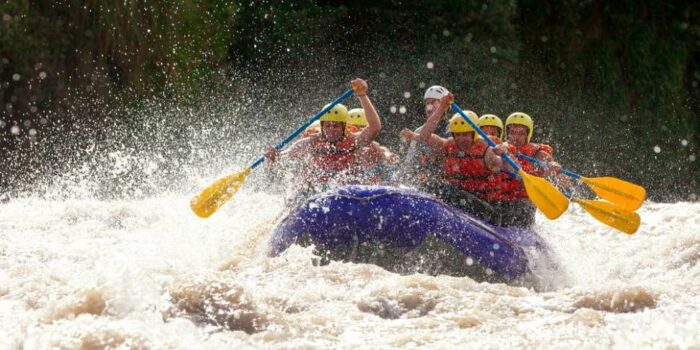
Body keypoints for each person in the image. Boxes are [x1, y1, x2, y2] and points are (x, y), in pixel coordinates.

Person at [264, 78, 381, 200]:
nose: (331, 129)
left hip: (343, 192)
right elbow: (280, 159)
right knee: (300, 188)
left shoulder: (354, 141)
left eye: (336, 125)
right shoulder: (310, 143)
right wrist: (273, 157)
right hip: (312, 192)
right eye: (328, 125)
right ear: (322, 126)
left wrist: (362, 96)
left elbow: (375, 127)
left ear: (344, 127)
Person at [413, 93, 511, 225]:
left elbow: (508, 168)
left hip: (488, 210)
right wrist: (441, 107)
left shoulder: (487, 151)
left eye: (465, 135)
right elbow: (423, 137)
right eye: (457, 135)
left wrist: (504, 156)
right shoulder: (448, 145)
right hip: (461, 203)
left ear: (474, 134)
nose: (461, 139)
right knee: (428, 185)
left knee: (446, 191)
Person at [495, 112, 561, 227]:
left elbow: (548, 159)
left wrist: (553, 165)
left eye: (521, 133)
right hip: (502, 198)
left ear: (528, 135)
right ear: (507, 133)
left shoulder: (535, 151)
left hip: (524, 200)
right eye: (513, 132)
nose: (516, 137)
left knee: (521, 207)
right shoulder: (502, 148)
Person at [347, 108, 399, 184]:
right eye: (350, 129)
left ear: (367, 130)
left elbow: (385, 152)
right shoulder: (344, 148)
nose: (354, 134)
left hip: (377, 184)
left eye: (356, 129)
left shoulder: (374, 147)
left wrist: (388, 156)